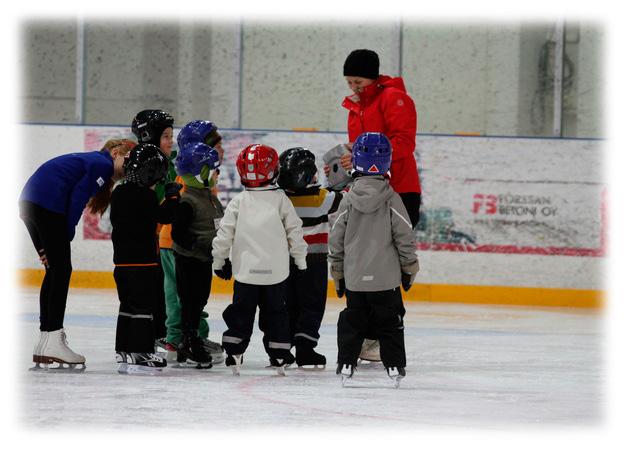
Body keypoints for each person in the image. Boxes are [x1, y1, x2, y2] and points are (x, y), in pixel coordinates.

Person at [335, 48, 423, 362]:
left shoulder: (394, 99)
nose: (353, 88)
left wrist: (364, 157)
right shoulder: (356, 106)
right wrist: (348, 159)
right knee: (364, 260)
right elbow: (363, 147)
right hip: (367, 192)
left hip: (399, 191)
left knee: (388, 264)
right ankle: (370, 335)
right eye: (349, 82)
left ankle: (380, 334)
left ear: (372, 77)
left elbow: (403, 141)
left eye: (358, 81)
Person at [20, 138, 132, 370]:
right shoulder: (101, 164)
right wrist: (67, 233)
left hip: (30, 202)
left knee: (54, 270)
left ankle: (46, 340)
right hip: (47, 204)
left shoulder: (91, 161)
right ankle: (52, 338)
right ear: (115, 152)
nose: (129, 167)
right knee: (61, 270)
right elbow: (78, 199)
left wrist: (49, 246)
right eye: (127, 159)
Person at [328, 132, 419, 387]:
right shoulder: (392, 199)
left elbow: (335, 238)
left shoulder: (347, 200)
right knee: (390, 323)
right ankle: (395, 366)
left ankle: (347, 361)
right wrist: (409, 267)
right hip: (385, 281)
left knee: (352, 321)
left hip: (356, 279)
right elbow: (405, 236)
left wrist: (337, 272)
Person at [212, 144, 308, 375]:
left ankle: (235, 350)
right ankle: (279, 354)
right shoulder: (281, 200)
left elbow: (224, 235)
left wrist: (219, 261)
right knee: (276, 314)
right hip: (276, 275)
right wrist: (301, 261)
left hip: (246, 274)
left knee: (240, 313)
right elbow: (295, 232)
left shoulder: (238, 201)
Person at [110, 143, 182, 374]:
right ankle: (141, 351)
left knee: (127, 306)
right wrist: (172, 198)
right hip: (143, 263)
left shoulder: (119, 191)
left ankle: (124, 348)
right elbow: (164, 216)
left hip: (121, 263)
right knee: (143, 307)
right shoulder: (146, 196)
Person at [159, 120, 225, 364]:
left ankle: (193, 335)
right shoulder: (189, 182)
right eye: (218, 146)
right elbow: (178, 220)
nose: (223, 151)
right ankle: (176, 340)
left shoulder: (207, 183)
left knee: (194, 297)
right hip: (176, 246)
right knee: (181, 297)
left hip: (199, 251)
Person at [274, 147, 343, 370]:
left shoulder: (280, 199)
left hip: (285, 261)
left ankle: (282, 347)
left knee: (287, 304)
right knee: (312, 304)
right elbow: (345, 198)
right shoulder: (320, 199)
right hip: (313, 261)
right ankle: (305, 347)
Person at [131, 109, 175, 346]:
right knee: (153, 290)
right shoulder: (146, 171)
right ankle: (154, 334)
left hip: (161, 242)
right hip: (150, 244)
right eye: (166, 136)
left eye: (171, 135)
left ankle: (160, 332)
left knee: (161, 289)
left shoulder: (168, 164)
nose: (171, 141)